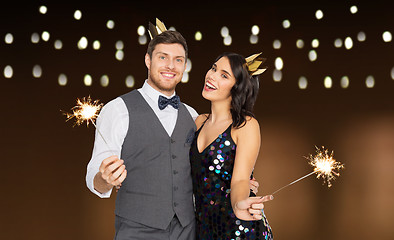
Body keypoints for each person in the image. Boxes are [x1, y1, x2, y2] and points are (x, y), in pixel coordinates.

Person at [85, 19, 261, 240]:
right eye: (162, 57)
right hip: (136, 232)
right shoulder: (117, 110)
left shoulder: (193, 117)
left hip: (188, 232)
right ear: (148, 60)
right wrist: (104, 178)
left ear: (184, 67)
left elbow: (214, 166)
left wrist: (242, 191)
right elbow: (95, 174)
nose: (170, 66)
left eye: (178, 60)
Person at [190, 52, 274, 239]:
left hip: (239, 230)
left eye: (224, 75)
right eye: (213, 68)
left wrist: (239, 204)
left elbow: (240, 180)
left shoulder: (245, 125)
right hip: (204, 230)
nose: (211, 75)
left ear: (237, 87)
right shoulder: (198, 122)